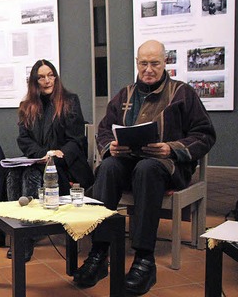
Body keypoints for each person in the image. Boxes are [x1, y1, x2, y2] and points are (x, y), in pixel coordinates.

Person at [72, 40, 216, 295]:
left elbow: (204, 134)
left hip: (166, 167)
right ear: (137, 63)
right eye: (143, 63)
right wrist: (111, 147)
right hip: (129, 165)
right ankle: (99, 253)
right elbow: (105, 130)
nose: (148, 69)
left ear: (165, 63)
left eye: (155, 63)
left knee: (147, 169)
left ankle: (144, 260)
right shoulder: (125, 94)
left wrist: (171, 147)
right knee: (108, 168)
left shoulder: (182, 93)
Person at [3, 59, 94, 260]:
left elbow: (76, 138)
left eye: (50, 75)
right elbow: (24, 139)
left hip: (65, 165)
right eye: (41, 77)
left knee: (31, 175)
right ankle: (17, 230)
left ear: (55, 77)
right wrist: (42, 155)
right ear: (34, 81)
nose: (47, 80)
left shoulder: (70, 100)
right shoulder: (27, 106)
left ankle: (26, 238)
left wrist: (55, 155)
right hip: (39, 160)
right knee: (13, 174)